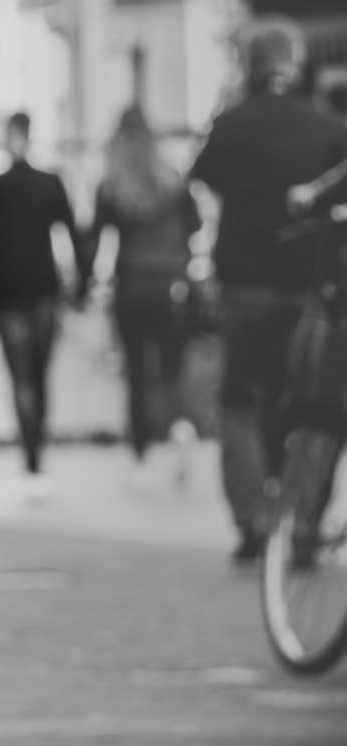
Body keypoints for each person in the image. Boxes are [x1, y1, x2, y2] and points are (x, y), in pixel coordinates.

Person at [190, 16, 347, 563]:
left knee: (238, 399)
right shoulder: (325, 125)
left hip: (244, 282)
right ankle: (300, 522)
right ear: (296, 64)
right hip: (308, 285)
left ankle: (255, 518)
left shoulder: (232, 125)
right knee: (305, 401)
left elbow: (202, 173)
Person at [0, 112, 88, 498]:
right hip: (43, 289)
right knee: (39, 377)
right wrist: (82, 283)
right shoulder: (50, 184)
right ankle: (36, 457)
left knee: (22, 377)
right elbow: (75, 235)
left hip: (5, 291)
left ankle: (31, 464)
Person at [86, 107, 202, 488]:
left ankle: (141, 461)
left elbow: (95, 236)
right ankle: (181, 427)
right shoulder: (171, 181)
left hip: (132, 285)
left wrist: (83, 285)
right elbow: (194, 226)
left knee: (137, 374)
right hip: (172, 285)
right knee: (172, 368)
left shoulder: (112, 185)